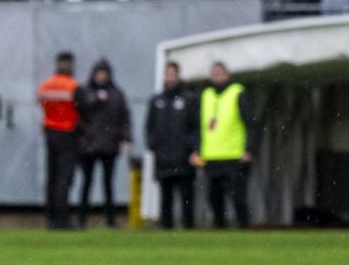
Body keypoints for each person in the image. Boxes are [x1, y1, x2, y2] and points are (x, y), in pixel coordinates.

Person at [192, 61, 254, 228]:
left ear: (228, 74)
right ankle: (220, 229)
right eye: (215, 72)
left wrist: (247, 149)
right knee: (214, 198)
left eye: (221, 72)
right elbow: (199, 126)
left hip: (234, 155)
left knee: (238, 198)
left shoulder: (237, 92)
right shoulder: (206, 95)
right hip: (211, 156)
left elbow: (249, 123)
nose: (218, 75)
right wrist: (197, 150)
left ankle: (244, 229)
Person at [74, 59, 132, 228]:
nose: (101, 76)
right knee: (87, 183)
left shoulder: (117, 94)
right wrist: (96, 100)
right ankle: (82, 219)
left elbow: (124, 117)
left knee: (108, 184)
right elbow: (80, 110)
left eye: (104, 73)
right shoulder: (85, 91)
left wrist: (126, 138)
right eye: (99, 73)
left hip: (109, 145)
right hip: (89, 146)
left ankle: (110, 220)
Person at [145, 60, 199, 229]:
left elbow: (195, 127)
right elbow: (149, 127)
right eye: (167, 73)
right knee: (165, 197)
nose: (170, 77)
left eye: (173, 73)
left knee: (186, 196)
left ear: (178, 75)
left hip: (183, 157)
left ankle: (188, 227)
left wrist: (192, 149)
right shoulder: (156, 101)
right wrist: (153, 145)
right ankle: (167, 228)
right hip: (163, 157)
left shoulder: (188, 99)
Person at [39, 52, 81, 229]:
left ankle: (51, 218)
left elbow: (41, 104)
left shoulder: (46, 85)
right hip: (68, 133)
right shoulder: (73, 86)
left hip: (50, 132)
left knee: (52, 177)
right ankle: (62, 219)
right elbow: (81, 108)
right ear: (70, 65)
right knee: (64, 179)